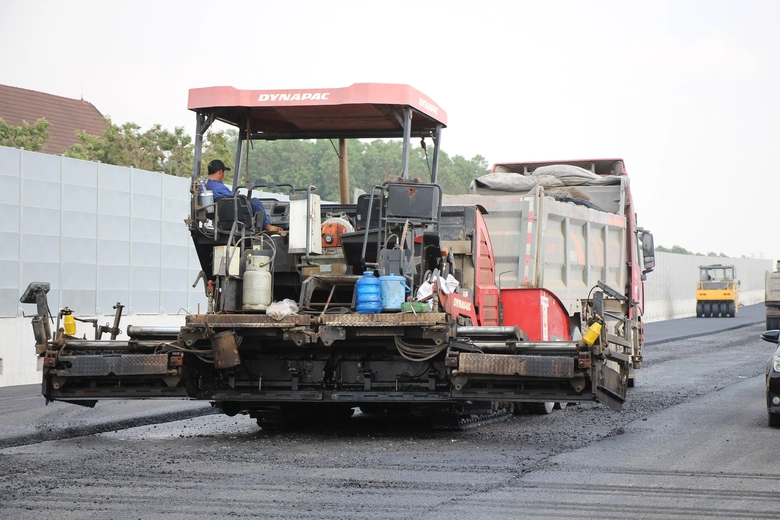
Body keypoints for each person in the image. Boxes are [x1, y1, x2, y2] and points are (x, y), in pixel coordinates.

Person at [205, 159, 274, 231]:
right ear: (220, 172)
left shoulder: (206, 185)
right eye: (224, 172)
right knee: (255, 202)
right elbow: (230, 200)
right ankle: (267, 225)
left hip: (222, 217)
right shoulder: (218, 187)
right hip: (232, 214)